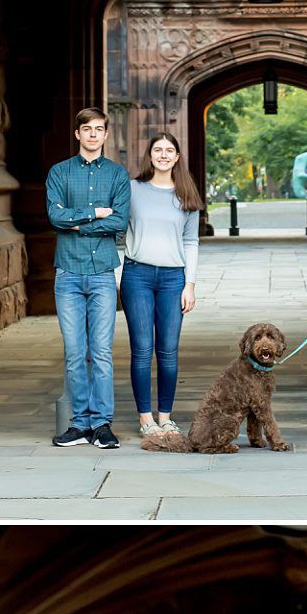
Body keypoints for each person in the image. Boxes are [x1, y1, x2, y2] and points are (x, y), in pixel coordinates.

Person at [46, 107, 131, 450]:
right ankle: (80, 425)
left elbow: (120, 222)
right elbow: (55, 216)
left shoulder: (116, 175)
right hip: (67, 273)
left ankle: (102, 424)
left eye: (99, 129)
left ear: (106, 135)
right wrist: (95, 213)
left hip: (102, 276)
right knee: (74, 352)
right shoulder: (60, 172)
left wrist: (76, 223)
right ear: (77, 134)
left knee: (102, 352)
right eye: (87, 129)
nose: (93, 134)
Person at [120, 132, 203, 437]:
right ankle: (145, 419)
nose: (164, 155)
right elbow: (118, 227)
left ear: (177, 157)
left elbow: (191, 241)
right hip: (137, 275)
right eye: (158, 150)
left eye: (169, 150)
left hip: (172, 279)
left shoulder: (186, 194)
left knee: (168, 351)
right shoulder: (132, 189)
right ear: (150, 155)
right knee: (142, 350)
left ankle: (165, 416)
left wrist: (190, 284)